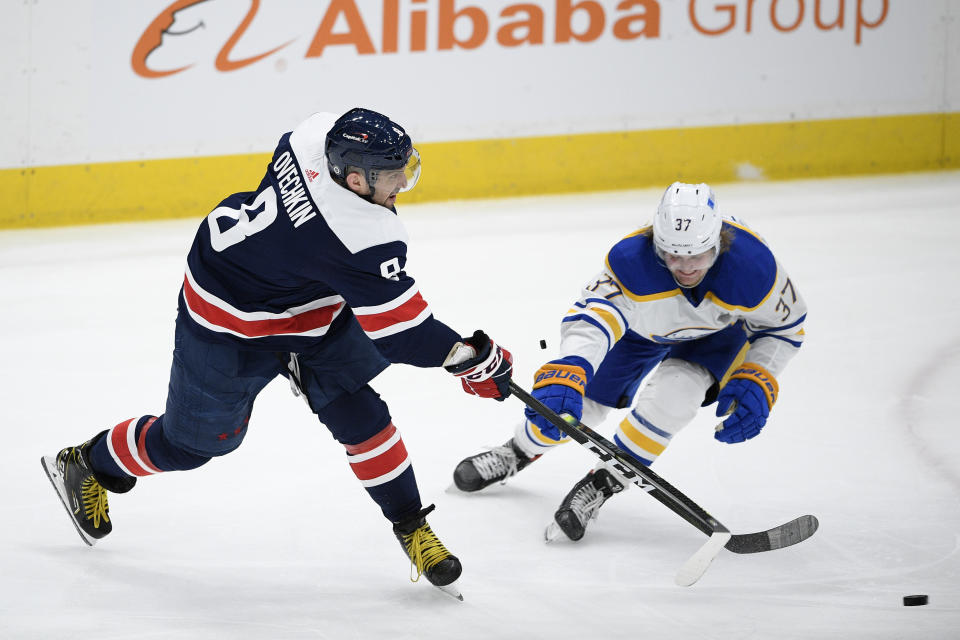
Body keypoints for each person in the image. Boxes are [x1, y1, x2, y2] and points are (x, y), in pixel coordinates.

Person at [41, 107, 513, 598]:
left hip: (304, 297)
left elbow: (377, 301)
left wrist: (459, 354)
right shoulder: (356, 235)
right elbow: (402, 333)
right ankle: (89, 463)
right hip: (229, 317)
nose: (401, 186)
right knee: (191, 445)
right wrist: (476, 358)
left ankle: (411, 524)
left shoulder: (314, 137)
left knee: (361, 414)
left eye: (406, 171)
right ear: (354, 178)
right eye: (394, 178)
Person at [453, 182, 806, 541]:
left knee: (674, 398)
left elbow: (785, 327)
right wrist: (572, 365)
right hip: (641, 330)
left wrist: (759, 373)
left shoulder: (755, 266)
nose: (685, 267)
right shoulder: (632, 261)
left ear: (718, 241)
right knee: (577, 408)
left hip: (714, 337)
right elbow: (595, 318)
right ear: (657, 241)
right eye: (672, 255)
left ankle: (606, 482)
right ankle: (518, 452)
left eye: (697, 256)